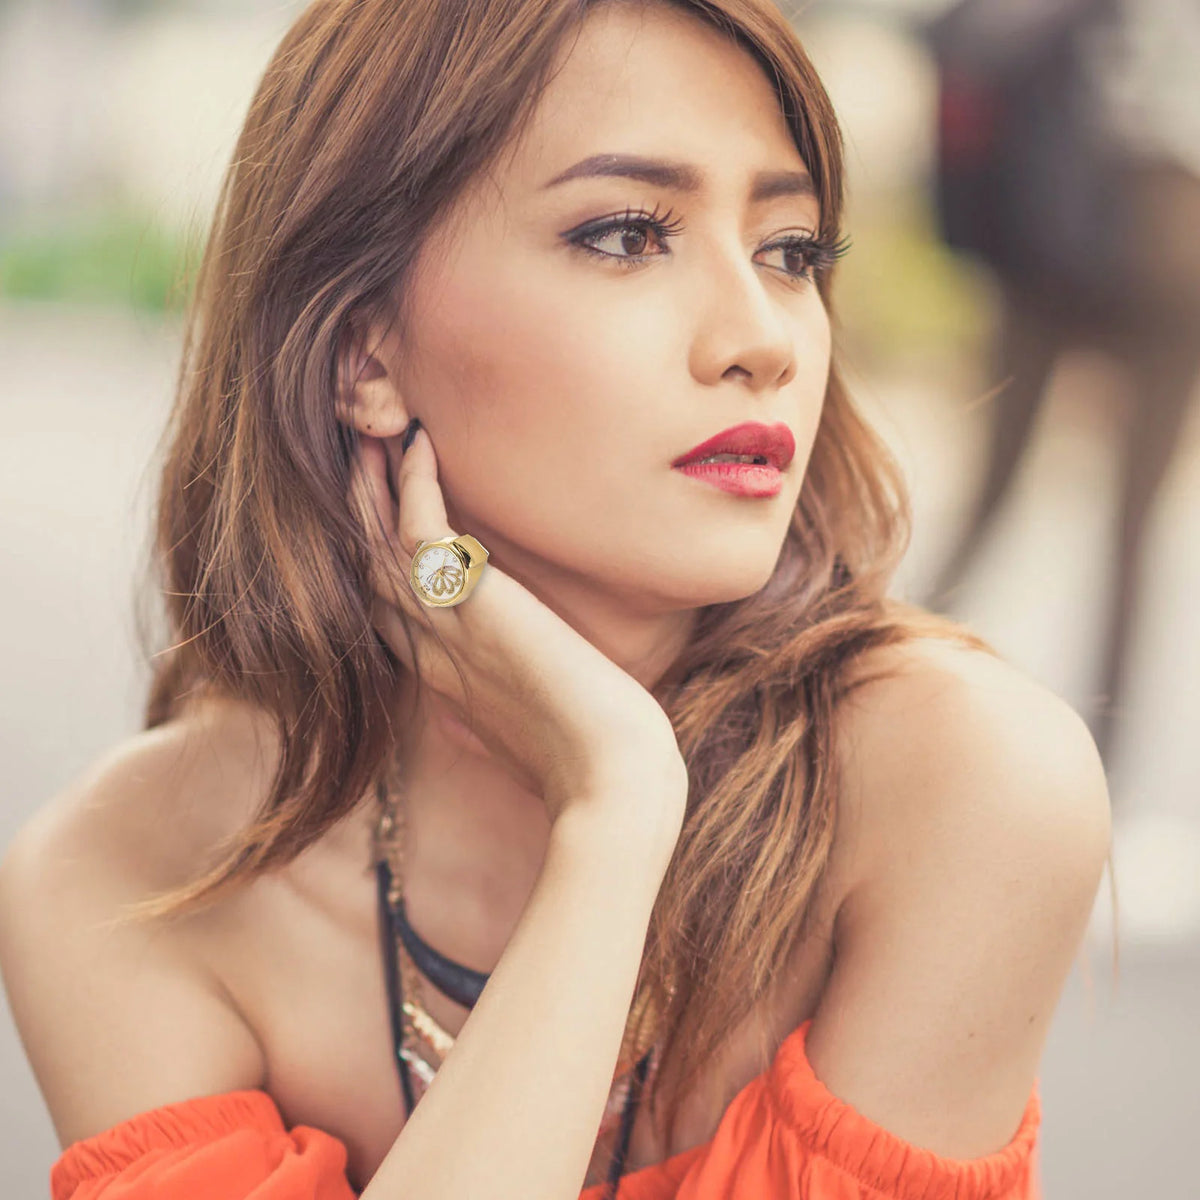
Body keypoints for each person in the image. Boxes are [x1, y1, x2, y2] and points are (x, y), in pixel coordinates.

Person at [0, 1, 1114, 1198]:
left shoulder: (969, 788)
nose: (762, 340)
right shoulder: (124, 885)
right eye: (629, 235)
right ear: (364, 353)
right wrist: (615, 812)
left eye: (790, 250)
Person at [921, 0, 1200, 768]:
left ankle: (880, 675)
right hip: (1162, 223)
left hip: (1065, 213)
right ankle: (1105, 753)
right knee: (1131, 522)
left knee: (996, 492)